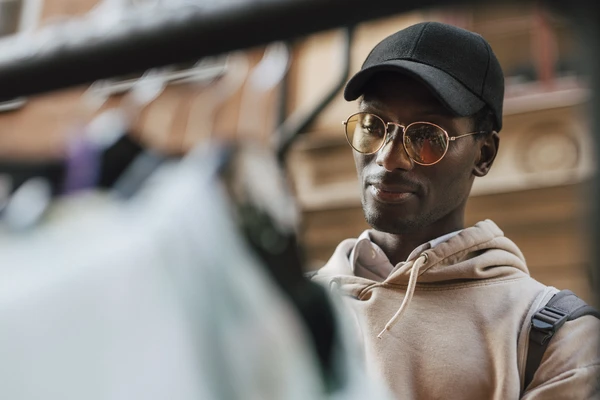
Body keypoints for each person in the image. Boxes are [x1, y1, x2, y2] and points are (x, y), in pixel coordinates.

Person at [309, 21, 600, 399]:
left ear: (484, 154)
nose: (388, 157)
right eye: (373, 126)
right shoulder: (281, 308)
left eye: (427, 135)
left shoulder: (554, 333)